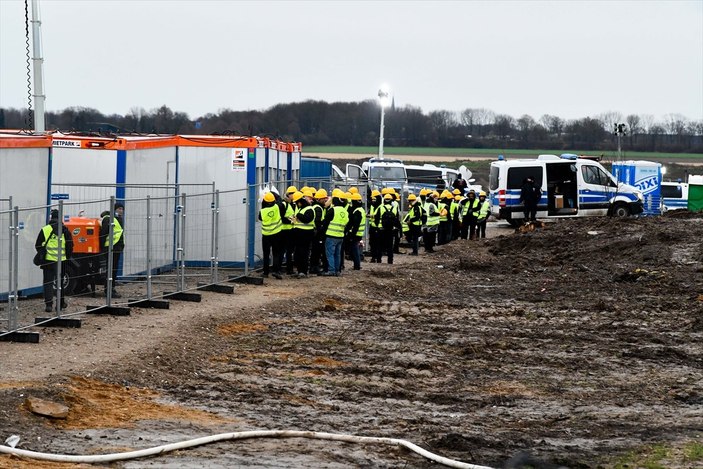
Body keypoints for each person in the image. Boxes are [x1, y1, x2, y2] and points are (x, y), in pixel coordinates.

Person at [35, 209, 74, 312]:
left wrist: (43, 252)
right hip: (62, 261)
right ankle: (60, 304)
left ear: (51, 218)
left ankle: (48, 305)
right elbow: (70, 245)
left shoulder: (45, 229)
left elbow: (38, 245)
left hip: (48, 261)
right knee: (60, 283)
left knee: (48, 283)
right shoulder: (65, 230)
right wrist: (67, 256)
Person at [320, 189, 349, 276]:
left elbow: (325, 222)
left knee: (330, 254)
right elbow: (347, 223)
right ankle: (337, 271)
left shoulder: (332, 210)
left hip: (331, 235)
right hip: (340, 236)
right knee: (337, 254)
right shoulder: (345, 211)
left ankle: (331, 270)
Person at [100, 202, 125, 298]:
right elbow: (103, 234)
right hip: (110, 248)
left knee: (114, 269)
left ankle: (112, 288)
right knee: (110, 269)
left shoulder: (118, 219)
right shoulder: (109, 219)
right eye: (119, 208)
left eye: (122, 209)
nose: (121, 211)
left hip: (117, 248)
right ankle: (108, 289)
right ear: (114, 209)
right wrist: (102, 247)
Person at [258, 191, 284, 279]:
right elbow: (280, 200)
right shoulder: (277, 207)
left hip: (266, 235)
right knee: (276, 253)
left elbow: (260, 218)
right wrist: (273, 193)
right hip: (277, 234)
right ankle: (276, 271)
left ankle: (265, 272)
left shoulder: (262, 211)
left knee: (266, 254)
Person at [292, 190, 316, 278]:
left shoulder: (309, 209)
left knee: (304, 253)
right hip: (298, 233)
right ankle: (299, 270)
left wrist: (298, 216)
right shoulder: (300, 208)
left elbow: (307, 220)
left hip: (306, 234)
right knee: (298, 253)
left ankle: (303, 271)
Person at [345, 192, 366, 270]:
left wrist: (352, 234)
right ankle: (357, 265)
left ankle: (357, 265)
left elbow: (355, 224)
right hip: (359, 233)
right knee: (355, 248)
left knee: (354, 249)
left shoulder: (357, 211)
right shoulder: (361, 210)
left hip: (356, 233)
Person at [367, 190, 382, 263]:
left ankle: (378, 258)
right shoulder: (372, 206)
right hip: (372, 227)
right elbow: (369, 214)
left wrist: (372, 216)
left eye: (374, 199)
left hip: (379, 228)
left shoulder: (381, 207)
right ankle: (373, 257)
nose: (373, 201)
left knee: (378, 244)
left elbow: (378, 216)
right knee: (372, 243)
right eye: (372, 199)